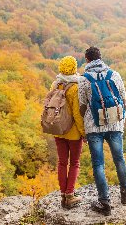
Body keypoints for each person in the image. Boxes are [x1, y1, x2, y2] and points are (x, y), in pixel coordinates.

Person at [78, 46, 126, 216]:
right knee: (119, 159)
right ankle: (125, 192)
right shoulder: (114, 74)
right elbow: (123, 100)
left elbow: (82, 106)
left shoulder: (84, 79)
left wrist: (86, 125)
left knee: (98, 164)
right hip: (115, 124)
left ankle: (105, 202)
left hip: (94, 127)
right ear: (101, 57)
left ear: (87, 60)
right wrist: (120, 122)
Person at [50, 56, 85, 209]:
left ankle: (63, 195)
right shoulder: (75, 87)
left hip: (58, 130)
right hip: (73, 133)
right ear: (74, 68)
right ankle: (70, 195)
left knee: (62, 162)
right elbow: (77, 114)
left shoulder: (55, 84)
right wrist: (84, 132)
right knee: (75, 163)